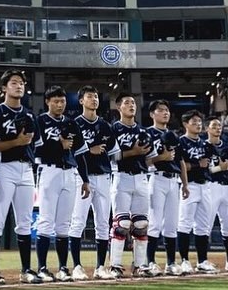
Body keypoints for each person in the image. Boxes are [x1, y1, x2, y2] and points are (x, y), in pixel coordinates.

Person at [0, 69, 40, 285]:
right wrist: (16, 142)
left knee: (24, 222)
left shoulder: (29, 115)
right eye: (14, 82)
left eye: (21, 83)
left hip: (26, 169)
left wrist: (23, 145)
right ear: (4, 88)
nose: (19, 86)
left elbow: (34, 144)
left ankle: (26, 270)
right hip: (4, 167)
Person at [33, 86, 86, 282]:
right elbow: (36, 150)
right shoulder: (40, 121)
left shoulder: (71, 123)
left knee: (64, 224)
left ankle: (63, 268)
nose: (59, 104)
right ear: (47, 102)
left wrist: (85, 180)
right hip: (49, 170)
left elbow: (80, 153)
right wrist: (58, 145)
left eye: (62, 101)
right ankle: (42, 268)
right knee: (46, 221)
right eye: (55, 101)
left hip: (70, 172)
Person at [72, 85, 119, 280]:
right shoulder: (75, 124)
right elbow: (69, 151)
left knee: (102, 224)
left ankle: (100, 267)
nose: (94, 99)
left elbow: (115, 153)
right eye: (90, 96)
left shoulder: (105, 125)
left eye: (96, 96)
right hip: (82, 177)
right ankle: (76, 266)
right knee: (78, 222)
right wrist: (89, 150)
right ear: (81, 100)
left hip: (104, 176)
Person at [109, 93, 156, 277]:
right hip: (121, 176)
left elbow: (150, 158)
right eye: (127, 102)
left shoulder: (144, 131)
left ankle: (139, 265)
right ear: (118, 107)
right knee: (121, 223)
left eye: (133, 102)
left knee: (142, 224)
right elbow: (110, 156)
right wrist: (133, 152)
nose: (131, 105)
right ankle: (115, 265)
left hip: (142, 177)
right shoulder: (113, 129)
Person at [145, 100, 184, 276]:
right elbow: (143, 161)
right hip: (156, 177)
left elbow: (180, 161)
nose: (165, 113)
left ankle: (170, 263)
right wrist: (161, 157)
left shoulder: (173, 135)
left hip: (174, 181)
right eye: (160, 110)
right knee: (154, 223)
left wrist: (185, 184)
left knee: (171, 224)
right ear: (152, 114)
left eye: (167, 110)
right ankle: (150, 262)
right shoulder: (147, 133)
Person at [175, 110, 218, 275]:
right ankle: (185, 260)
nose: (198, 124)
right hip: (189, 185)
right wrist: (196, 165)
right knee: (184, 224)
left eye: (200, 122)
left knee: (203, 226)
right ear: (185, 124)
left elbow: (209, 166)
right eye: (194, 122)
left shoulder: (205, 144)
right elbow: (179, 165)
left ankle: (202, 261)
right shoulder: (181, 142)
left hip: (205, 185)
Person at [204, 117, 228, 271]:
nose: (218, 128)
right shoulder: (204, 146)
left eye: (219, 126)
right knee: (206, 224)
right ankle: (203, 260)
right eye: (214, 126)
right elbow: (202, 169)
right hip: (211, 186)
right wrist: (220, 168)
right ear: (207, 128)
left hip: (227, 187)